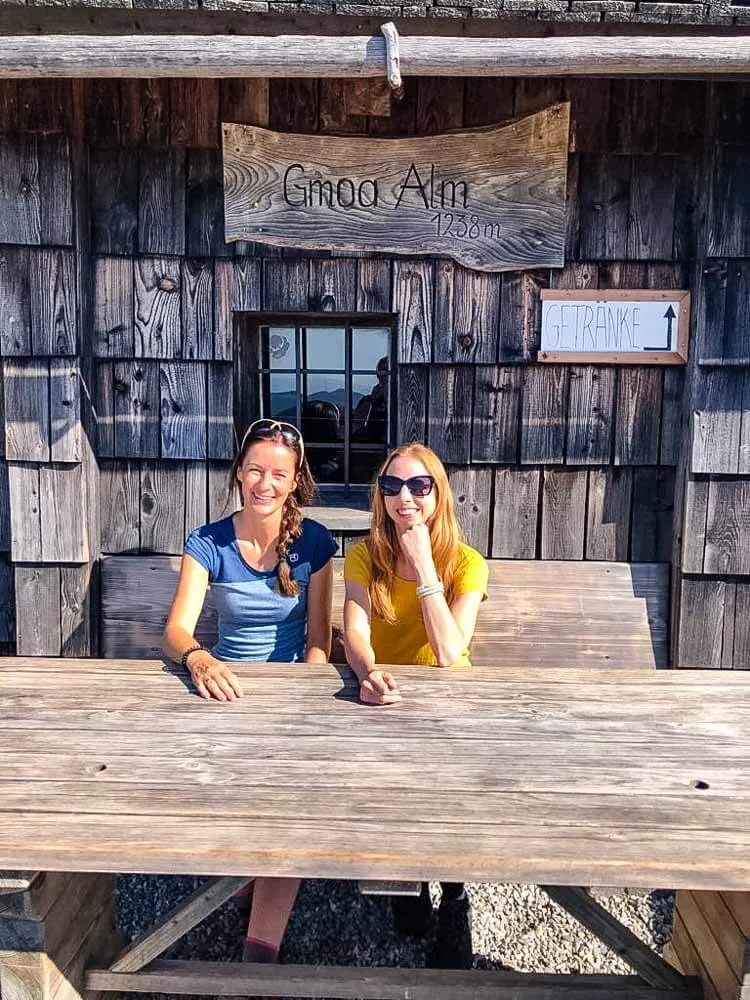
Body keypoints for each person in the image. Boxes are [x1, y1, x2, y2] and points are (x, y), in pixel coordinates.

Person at [163, 418, 337, 964]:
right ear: (239, 473)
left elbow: (317, 639)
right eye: (255, 470)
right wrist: (199, 659)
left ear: (294, 480)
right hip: (227, 691)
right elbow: (176, 631)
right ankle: (244, 887)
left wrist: (303, 698)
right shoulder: (208, 541)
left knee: (289, 807)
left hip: (291, 699)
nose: (265, 483)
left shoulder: (315, 543)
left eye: (278, 474)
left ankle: (260, 952)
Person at [342, 443, 489, 970]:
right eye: (391, 486)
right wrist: (367, 671)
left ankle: (455, 895)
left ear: (437, 493)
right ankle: (411, 885)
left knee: (445, 793)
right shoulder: (363, 557)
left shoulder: (466, 564)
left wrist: (425, 562)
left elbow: (451, 653)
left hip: (448, 698)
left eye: (418, 486)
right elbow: (355, 629)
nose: (404, 497)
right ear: (379, 496)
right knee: (391, 785)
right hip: (384, 695)